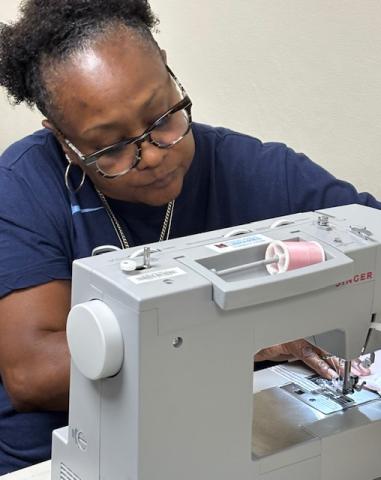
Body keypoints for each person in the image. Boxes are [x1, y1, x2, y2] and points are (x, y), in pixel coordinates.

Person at [0, 0, 378, 474]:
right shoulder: (23, 187)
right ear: (65, 143)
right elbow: (33, 372)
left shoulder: (251, 168)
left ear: (167, 67)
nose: (154, 155)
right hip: (57, 458)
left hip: (207, 440)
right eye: (113, 147)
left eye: (162, 118)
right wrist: (250, 341)